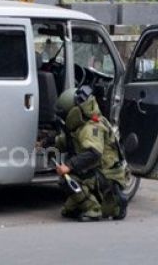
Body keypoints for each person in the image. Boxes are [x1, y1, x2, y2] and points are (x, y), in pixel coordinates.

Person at [54, 86, 129, 222]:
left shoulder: (91, 127)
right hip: (102, 170)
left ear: (74, 112)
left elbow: (93, 153)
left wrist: (69, 166)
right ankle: (97, 204)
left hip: (106, 174)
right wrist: (47, 141)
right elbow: (70, 141)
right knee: (68, 210)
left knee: (68, 179)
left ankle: (94, 209)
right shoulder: (85, 124)